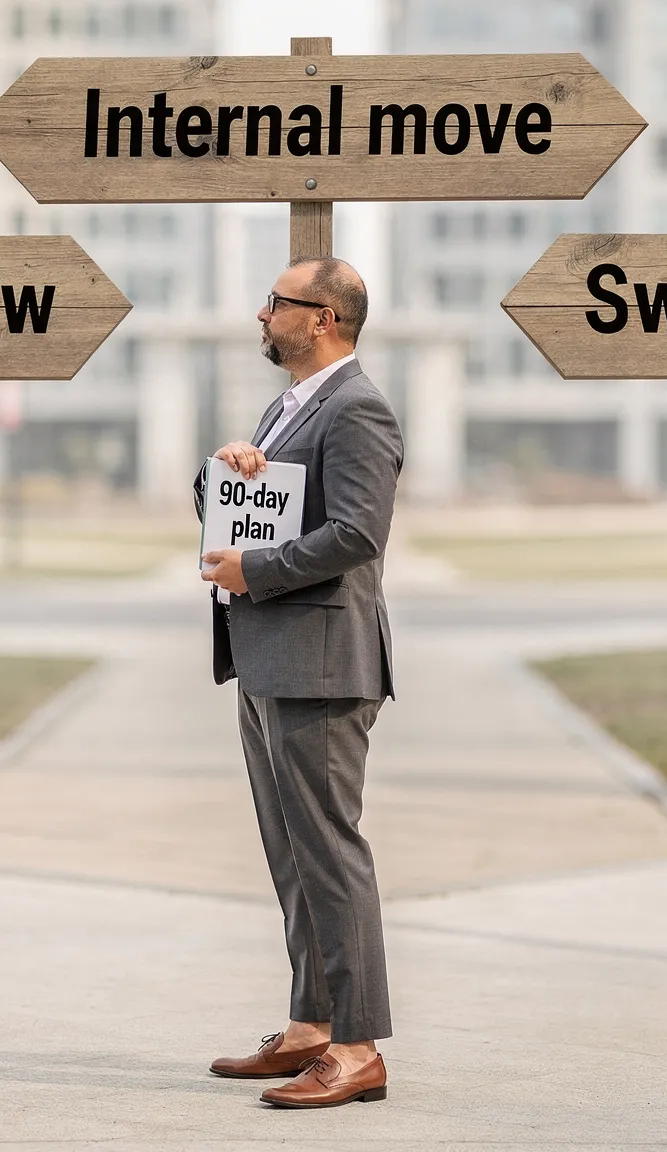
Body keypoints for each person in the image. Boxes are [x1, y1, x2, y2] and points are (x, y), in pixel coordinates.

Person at [195, 256, 402, 1109]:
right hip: (268, 657)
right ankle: (312, 1026)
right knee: (292, 856)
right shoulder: (289, 407)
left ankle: (357, 1048)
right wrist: (225, 471)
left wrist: (256, 572)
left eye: (277, 302)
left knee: (329, 853)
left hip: (320, 663)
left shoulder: (358, 409)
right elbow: (250, 512)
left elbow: (356, 533)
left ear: (322, 318)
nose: (261, 313)